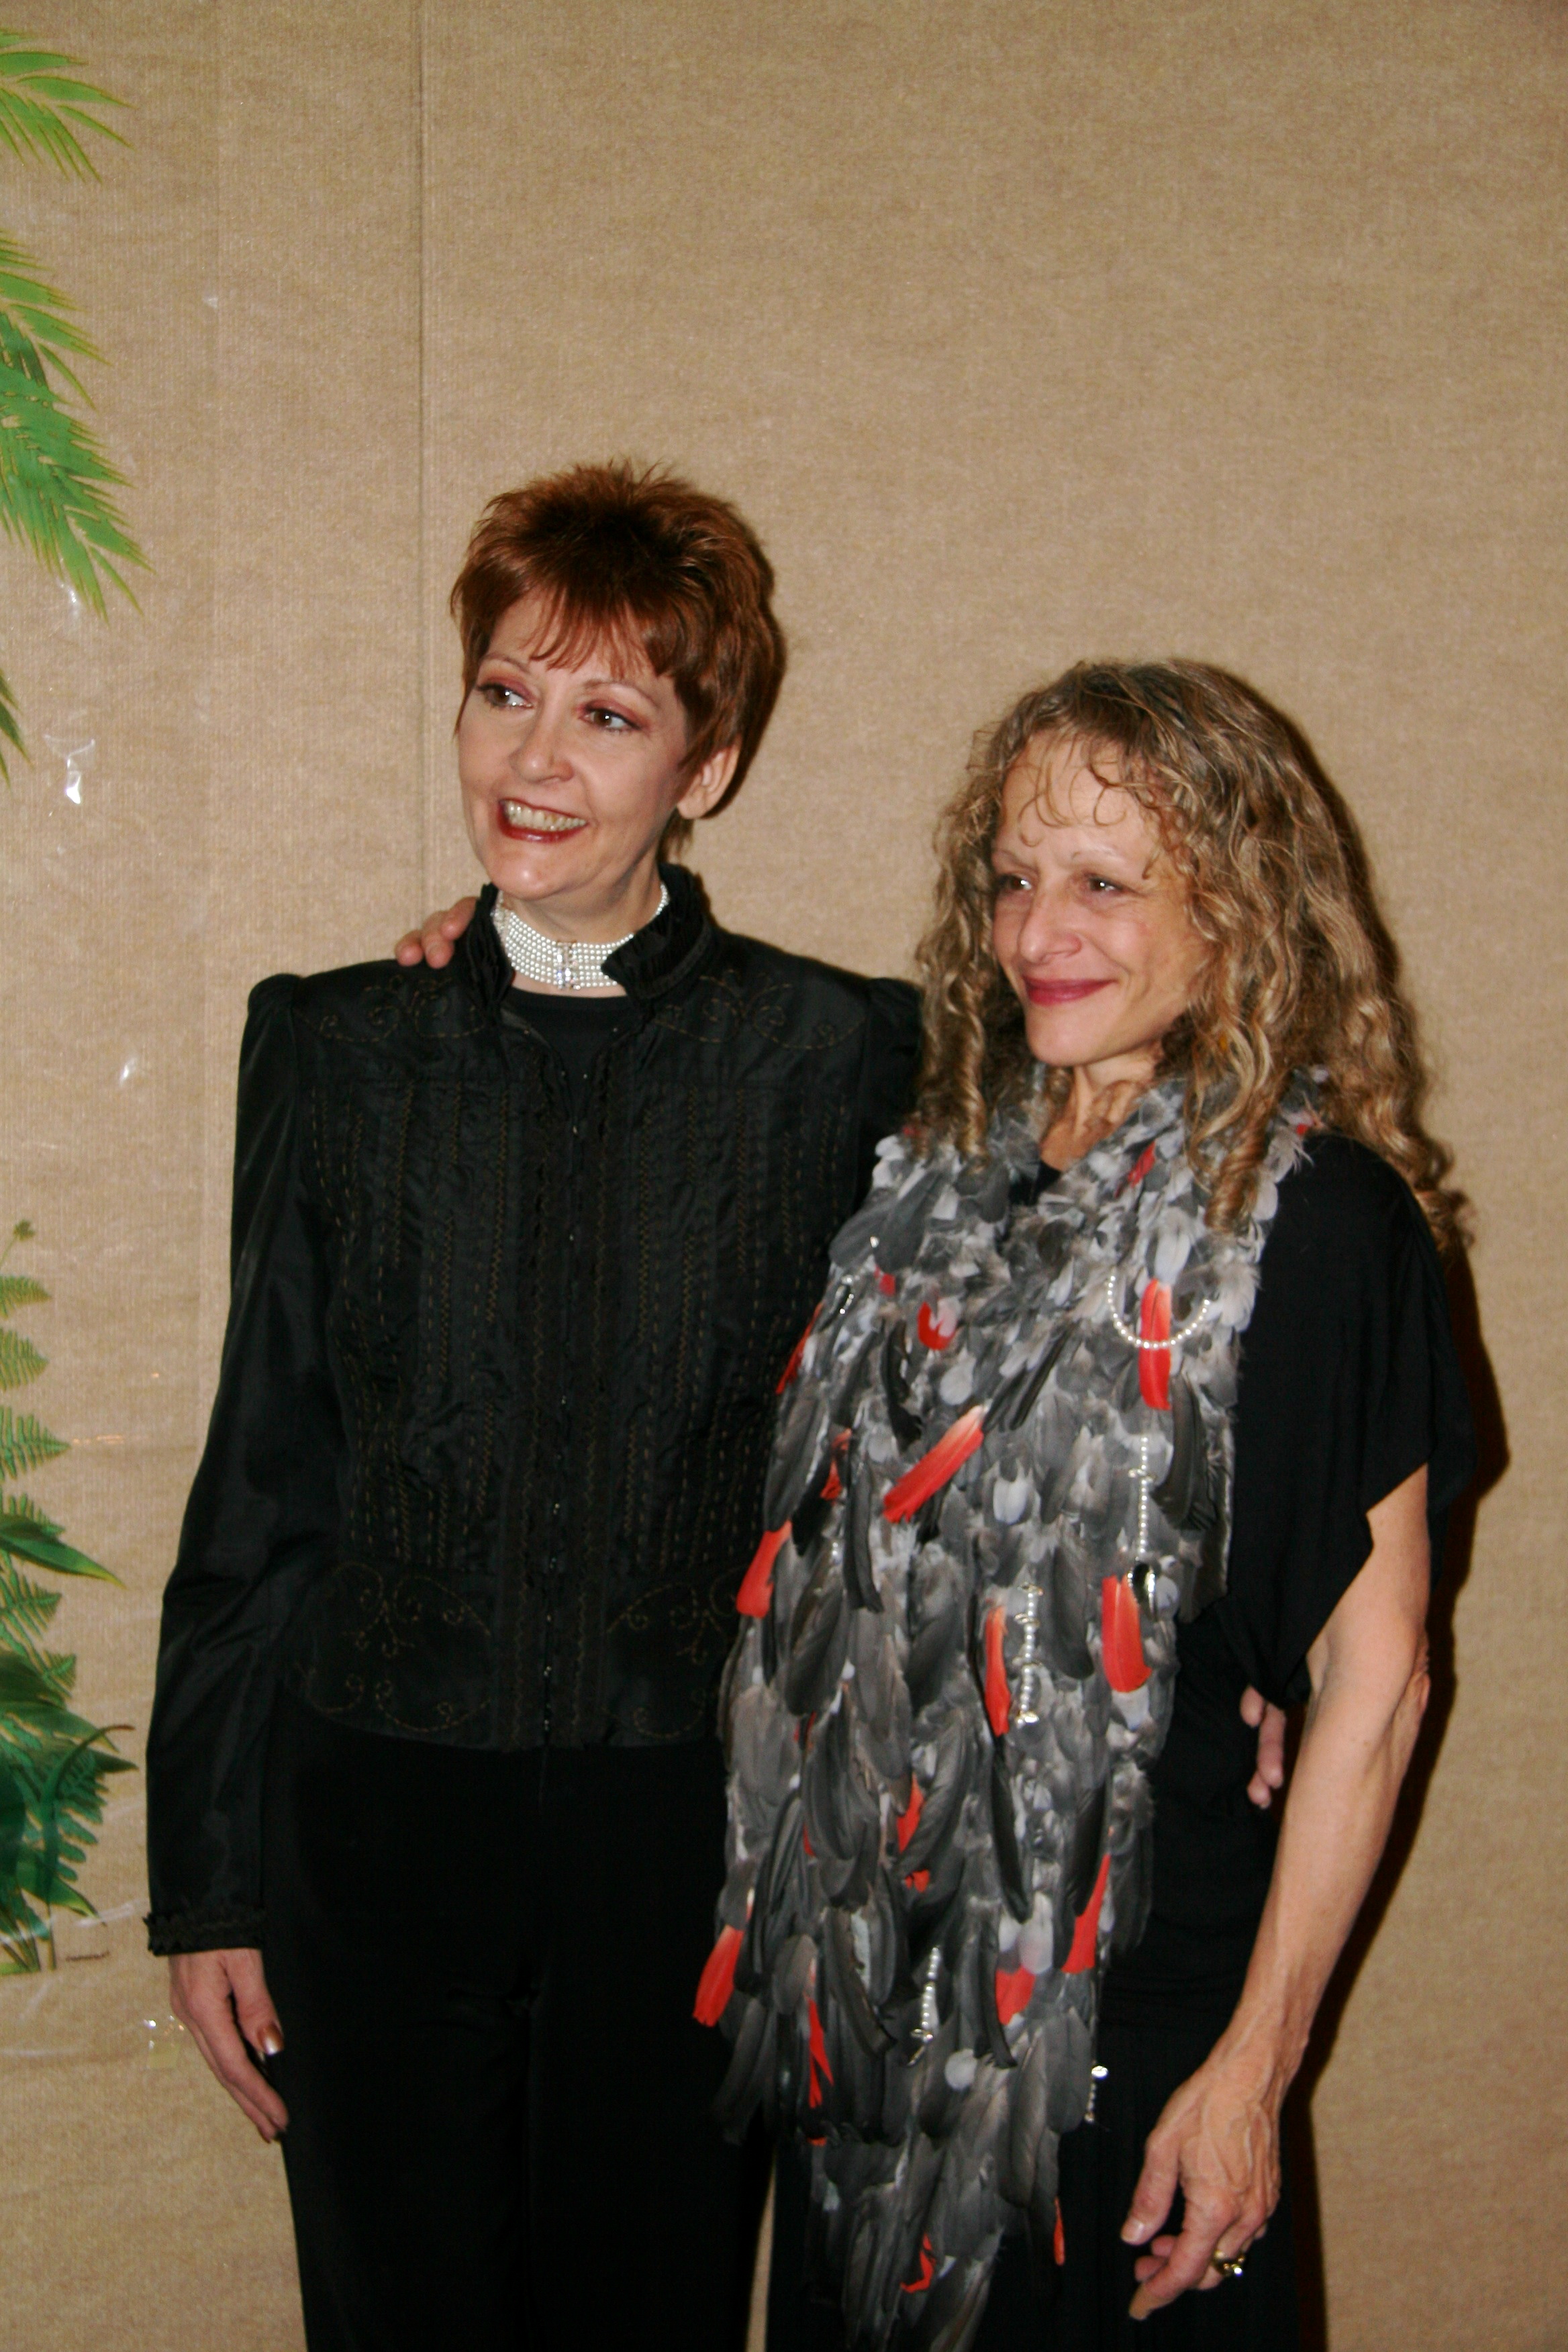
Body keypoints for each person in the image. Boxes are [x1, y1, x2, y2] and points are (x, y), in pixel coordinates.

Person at [144, 460, 922, 2351]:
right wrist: (209, 1883)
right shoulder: (335, 1042)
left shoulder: (843, 1055)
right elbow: (268, 1466)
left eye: (609, 714)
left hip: (694, 1846)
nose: (536, 757)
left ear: (706, 765)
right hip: (374, 1827)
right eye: (506, 690)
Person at [707, 660, 1474, 2351]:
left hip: (1133, 2024)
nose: (1039, 930)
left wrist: (1255, 2068)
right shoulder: (921, 1173)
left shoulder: (1317, 1225)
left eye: (1105, 884)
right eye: (1012, 876)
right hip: (871, 2003)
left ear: (1235, 914)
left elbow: (1377, 1683)